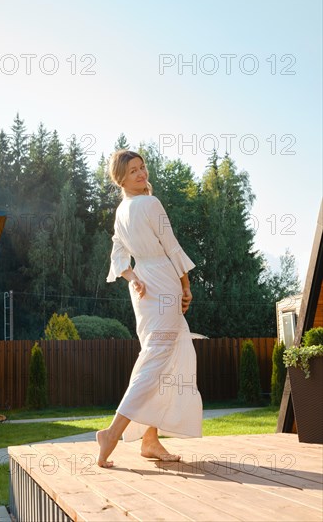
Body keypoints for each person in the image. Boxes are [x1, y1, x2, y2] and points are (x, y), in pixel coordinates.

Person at [96, 149, 204, 468]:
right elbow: (171, 246)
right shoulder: (150, 204)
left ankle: (150, 440)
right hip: (161, 281)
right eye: (133, 171)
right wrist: (185, 286)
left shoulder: (122, 210)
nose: (141, 174)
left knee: (160, 359)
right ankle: (112, 433)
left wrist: (133, 277)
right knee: (157, 358)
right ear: (121, 178)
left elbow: (118, 256)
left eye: (142, 168)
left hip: (143, 286)